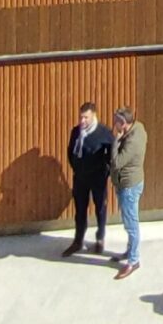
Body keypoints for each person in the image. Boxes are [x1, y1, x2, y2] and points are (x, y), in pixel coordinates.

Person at [64, 102, 114, 257]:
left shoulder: (104, 133)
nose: (82, 121)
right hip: (80, 178)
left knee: (100, 208)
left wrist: (105, 172)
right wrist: (77, 169)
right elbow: (70, 152)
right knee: (80, 210)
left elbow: (111, 156)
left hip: (98, 178)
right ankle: (78, 240)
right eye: (81, 117)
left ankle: (100, 239)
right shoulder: (76, 132)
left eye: (86, 117)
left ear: (93, 116)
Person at [111, 107, 146, 279]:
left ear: (123, 124)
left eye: (116, 121)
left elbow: (117, 162)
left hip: (129, 186)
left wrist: (116, 141)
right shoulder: (138, 128)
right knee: (129, 220)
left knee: (131, 223)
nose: (114, 125)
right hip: (131, 183)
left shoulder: (132, 142)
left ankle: (133, 260)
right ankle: (130, 250)